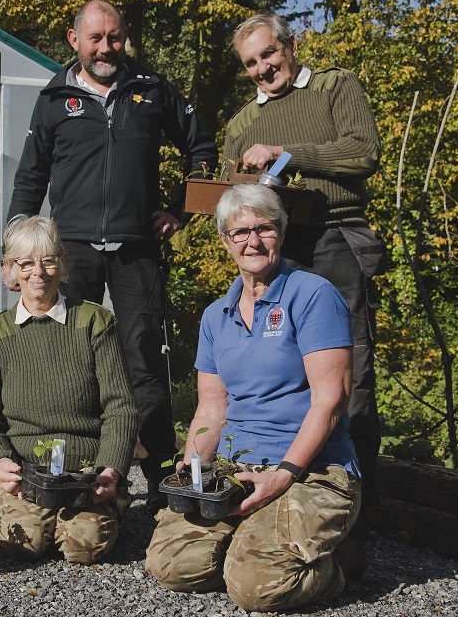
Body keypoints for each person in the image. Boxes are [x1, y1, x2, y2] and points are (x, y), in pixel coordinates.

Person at [6, 0, 219, 512]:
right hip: (71, 252)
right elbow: (31, 177)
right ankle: (71, 471)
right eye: (96, 38)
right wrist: (18, 249)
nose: (107, 48)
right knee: (67, 356)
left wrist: (179, 212)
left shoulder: (152, 89)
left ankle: (159, 477)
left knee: (143, 358)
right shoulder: (54, 99)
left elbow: (203, 150)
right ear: (73, 40)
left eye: (116, 38)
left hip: (136, 250)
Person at [145, 184, 363, 612]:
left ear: (280, 233)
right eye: (239, 231)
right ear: (225, 240)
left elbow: (331, 401)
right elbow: (212, 408)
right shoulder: (216, 315)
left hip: (311, 469)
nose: (252, 240)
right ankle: (255, 542)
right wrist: (192, 469)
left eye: (264, 228)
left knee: (256, 587)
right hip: (236, 466)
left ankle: (341, 563)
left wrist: (283, 475)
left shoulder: (313, 295)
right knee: (171, 564)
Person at [220, 13, 384, 533]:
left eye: (269, 53)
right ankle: (284, 487)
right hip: (275, 247)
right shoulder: (244, 121)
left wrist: (287, 156)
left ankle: (358, 506)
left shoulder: (336, 86)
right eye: (251, 62)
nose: (263, 68)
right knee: (279, 368)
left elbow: (364, 154)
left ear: (291, 45)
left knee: (348, 373)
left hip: (335, 236)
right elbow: (231, 191)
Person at [0, 215, 138, 564]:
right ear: (11, 269)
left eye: (48, 261)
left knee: (84, 547)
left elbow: (120, 407)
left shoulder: (95, 322)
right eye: (26, 263)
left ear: (61, 262)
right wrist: (0, 462)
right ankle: (18, 508)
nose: (38, 273)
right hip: (26, 472)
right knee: (23, 544)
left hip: (86, 475)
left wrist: (110, 470)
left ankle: (110, 506)